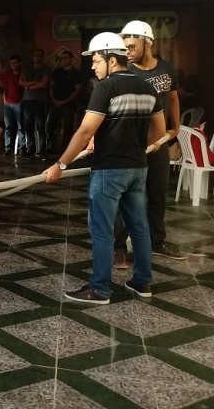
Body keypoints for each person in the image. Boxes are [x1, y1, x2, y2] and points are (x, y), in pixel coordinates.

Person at [43, 32, 165, 304]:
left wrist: (59, 164)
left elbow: (85, 130)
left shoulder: (105, 88)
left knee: (101, 229)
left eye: (96, 60)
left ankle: (99, 289)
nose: (93, 66)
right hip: (138, 169)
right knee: (139, 227)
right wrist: (125, 140)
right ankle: (142, 283)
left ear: (112, 60)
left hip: (109, 170)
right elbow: (157, 132)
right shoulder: (148, 88)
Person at [114, 20, 185, 265]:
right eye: (125, 48)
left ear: (148, 43)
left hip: (159, 145)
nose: (128, 52)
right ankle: (118, 247)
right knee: (126, 196)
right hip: (131, 146)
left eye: (132, 46)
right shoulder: (124, 70)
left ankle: (157, 241)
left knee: (157, 194)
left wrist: (174, 128)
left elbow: (173, 98)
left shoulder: (167, 69)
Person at [46, 50, 83, 157]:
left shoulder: (76, 73)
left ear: (71, 59)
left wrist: (64, 101)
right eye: (62, 58)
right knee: (50, 125)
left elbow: (77, 90)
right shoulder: (57, 72)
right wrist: (54, 100)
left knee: (67, 127)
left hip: (69, 104)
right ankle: (50, 148)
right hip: (55, 103)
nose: (63, 60)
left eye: (65, 58)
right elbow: (51, 87)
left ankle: (65, 151)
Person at [20, 48, 51, 160]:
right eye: (34, 55)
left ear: (42, 57)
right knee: (28, 126)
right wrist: (32, 84)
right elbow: (21, 82)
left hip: (40, 100)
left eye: (39, 55)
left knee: (40, 126)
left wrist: (28, 86)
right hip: (27, 100)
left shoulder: (46, 69)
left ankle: (42, 151)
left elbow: (43, 84)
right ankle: (30, 150)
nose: (36, 57)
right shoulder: (27, 68)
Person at [0, 54, 25, 156]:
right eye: (11, 63)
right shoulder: (7, 74)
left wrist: (21, 101)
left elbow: (25, 90)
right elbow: (4, 88)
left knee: (20, 126)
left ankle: (22, 147)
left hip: (19, 103)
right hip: (8, 103)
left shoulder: (23, 73)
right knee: (8, 126)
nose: (13, 65)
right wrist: (5, 100)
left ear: (19, 63)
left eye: (15, 63)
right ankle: (7, 148)